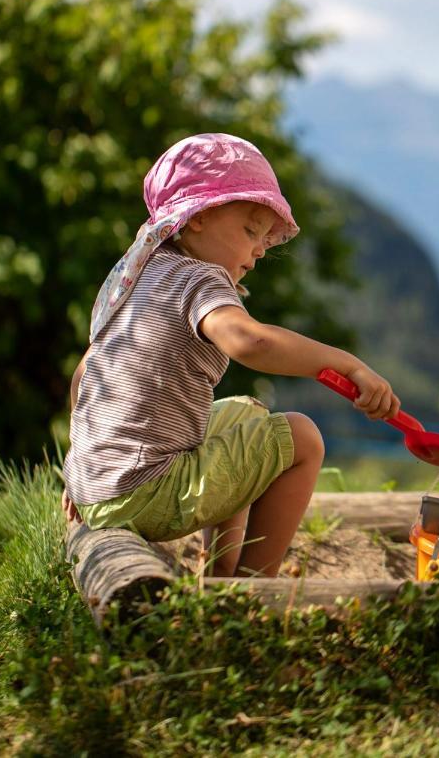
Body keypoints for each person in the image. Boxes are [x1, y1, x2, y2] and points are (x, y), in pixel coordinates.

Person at [62, 133, 400, 577]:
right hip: (148, 491)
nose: (261, 248)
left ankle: (220, 573)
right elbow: (250, 342)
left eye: (264, 236)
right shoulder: (200, 279)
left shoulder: (135, 274)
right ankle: (253, 589)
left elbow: (85, 375)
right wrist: (347, 363)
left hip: (99, 485)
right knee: (302, 438)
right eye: (249, 229)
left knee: (245, 413)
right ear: (197, 217)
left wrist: (81, 466)